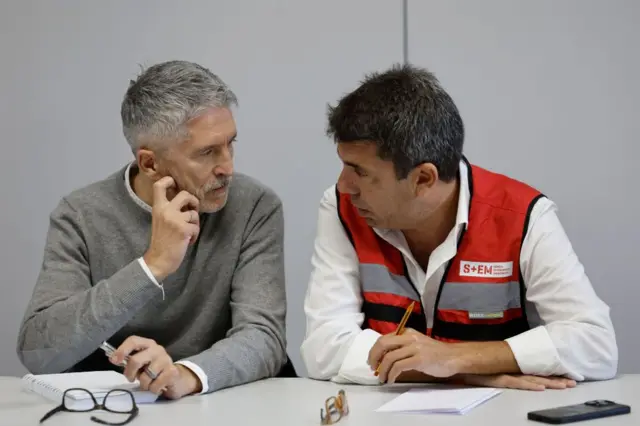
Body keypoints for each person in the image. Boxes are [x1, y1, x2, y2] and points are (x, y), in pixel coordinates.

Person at [300, 64, 617, 391]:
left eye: (359, 172)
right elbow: (324, 348)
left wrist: (456, 358)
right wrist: (465, 373)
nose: (343, 185)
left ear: (423, 179)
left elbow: (595, 345)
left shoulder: (521, 215)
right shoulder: (343, 208)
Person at [17, 60, 291, 399]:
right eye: (207, 152)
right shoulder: (80, 215)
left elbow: (265, 337)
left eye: (230, 143)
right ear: (150, 163)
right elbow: (37, 352)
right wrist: (153, 266)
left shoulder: (254, 206)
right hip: (119, 406)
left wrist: (185, 374)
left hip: (222, 401)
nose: (228, 167)